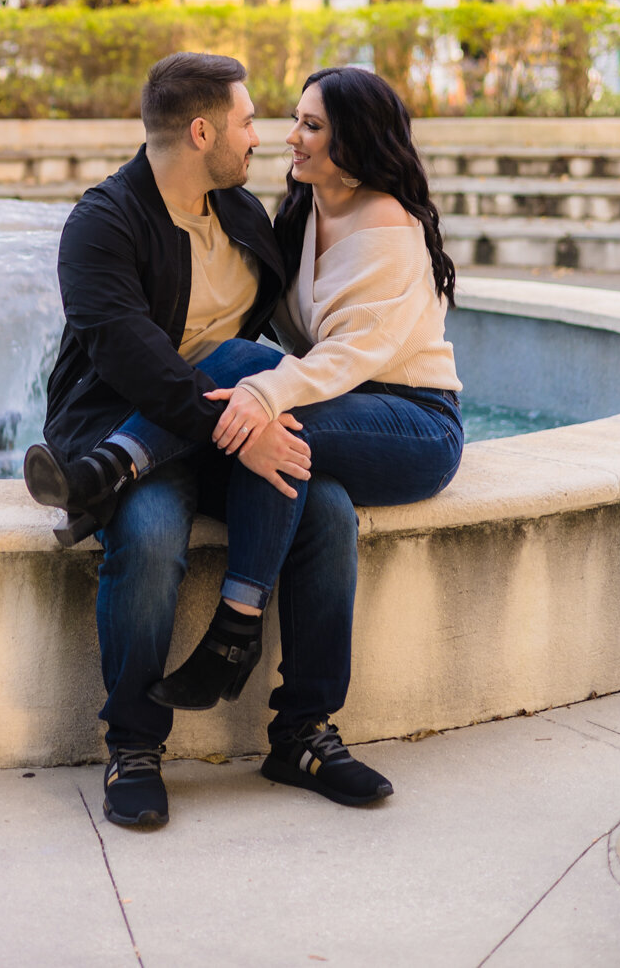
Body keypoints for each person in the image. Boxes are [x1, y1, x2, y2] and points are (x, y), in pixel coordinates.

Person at [24, 52, 385, 829]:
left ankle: (302, 734)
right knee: (152, 534)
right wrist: (244, 425)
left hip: (227, 427)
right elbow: (134, 361)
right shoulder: (103, 223)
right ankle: (135, 745)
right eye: (250, 121)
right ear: (201, 131)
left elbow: (304, 313)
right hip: (127, 422)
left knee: (322, 508)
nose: (263, 137)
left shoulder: (241, 213)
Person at [144, 66, 464, 747]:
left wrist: (261, 392)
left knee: (267, 409)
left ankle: (234, 622)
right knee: (318, 500)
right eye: (294, 119)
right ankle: (303, 732)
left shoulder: (387, 222)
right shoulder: (306, 209)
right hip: (337, 409)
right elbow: (276, 328)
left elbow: (350, 355)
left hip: (415, 424)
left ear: (356, 138)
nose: (291, 137)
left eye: (311, 125)